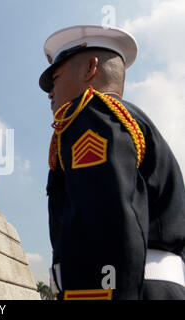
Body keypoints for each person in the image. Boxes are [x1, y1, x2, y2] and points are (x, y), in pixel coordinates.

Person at [39, 25, 185, 300]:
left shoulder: (91, 117)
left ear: (90, 68)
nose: (50, 92)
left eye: (55, 77)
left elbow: (101, 223)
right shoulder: (130, 121)